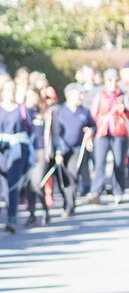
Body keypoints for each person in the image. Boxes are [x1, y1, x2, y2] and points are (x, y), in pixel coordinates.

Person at [0, 80, 33, 233]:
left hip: (17, 150)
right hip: (1, 150)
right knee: (4, 184)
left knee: (12, 184)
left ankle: (12, 216)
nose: (10, 93)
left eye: (13, 89)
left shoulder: (22, 109)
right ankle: (6, 210)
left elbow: (31, 131)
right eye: (7, 90)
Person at [51, 83, 96, 216]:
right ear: (70, 95)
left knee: (73, 175)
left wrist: (90, 131)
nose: (81, 97)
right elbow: (56, 132)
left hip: (77, 149)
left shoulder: (84, 111)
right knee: (62, 178)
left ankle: (70, 205)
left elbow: (93, 126)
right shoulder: (60, 111)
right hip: (63, 149)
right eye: (78, 94)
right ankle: (67, 200)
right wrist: (58, 151)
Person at [88, 68, 129, 204]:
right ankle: (97, 191)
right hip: (103, 132)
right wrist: (91, 134)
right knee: (100, 162)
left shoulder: (123, 95)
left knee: (119, 162)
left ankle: (118, 190)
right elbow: (93, 115)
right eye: (110, 80)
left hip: (119, 132)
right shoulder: (100, 95)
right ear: (105, 81)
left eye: (115, 80)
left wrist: (124, 110)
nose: (113, 83)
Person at [24, 88, 50, 226]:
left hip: (39, 149)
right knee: (29, 184)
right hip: (27, 149)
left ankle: (45, 209)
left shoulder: (43, 112)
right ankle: (32, 213)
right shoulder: (23, 112)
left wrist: (47, 151)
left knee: (37, 182)